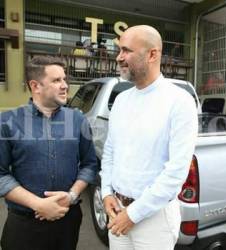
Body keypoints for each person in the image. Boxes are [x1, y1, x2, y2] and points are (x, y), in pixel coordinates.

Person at [101, 25, 198, 250]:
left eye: (126, 51)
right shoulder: (122, 100)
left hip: (154, 221)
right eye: (119, 50)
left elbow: (175, 173)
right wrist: (106, 192)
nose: (119, 57)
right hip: (117, 210)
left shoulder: (179, 101)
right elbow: (109, 152)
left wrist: (133, 214)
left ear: (152, 54)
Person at [0, 55, 99, 250]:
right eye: (56, 80)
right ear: (35, 86)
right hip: (24, 224)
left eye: (64, 79)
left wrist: (71, 196)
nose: (65, 86)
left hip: (67, 221)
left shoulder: (78, 120)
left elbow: (89, 165)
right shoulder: (7, 122)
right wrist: (38, 204)